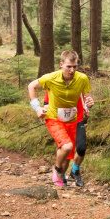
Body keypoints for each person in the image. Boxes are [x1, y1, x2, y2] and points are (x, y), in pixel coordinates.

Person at [28, 50, 93, 187]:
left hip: (72, 119)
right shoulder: (51, 78)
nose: (72, 70)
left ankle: (62, 173)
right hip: (53, 118)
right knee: (67, 146)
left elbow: (86, 96)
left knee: (68, 152)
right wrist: (38, 108)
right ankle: (57, 170)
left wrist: (89, 103)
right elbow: (31, 86)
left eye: (75, 66)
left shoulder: (82, 78)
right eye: (69, 66)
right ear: (61, 64)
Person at [45, 91, 89, 186]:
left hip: (78, 119)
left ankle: (75, 170)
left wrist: (88, 104)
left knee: (81, 148)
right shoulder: (54, 82)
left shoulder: (79, 81)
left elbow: (86, 99)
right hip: (61, 121)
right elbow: (47, 103)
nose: (71, 75)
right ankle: (61, 174)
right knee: (67, 149)